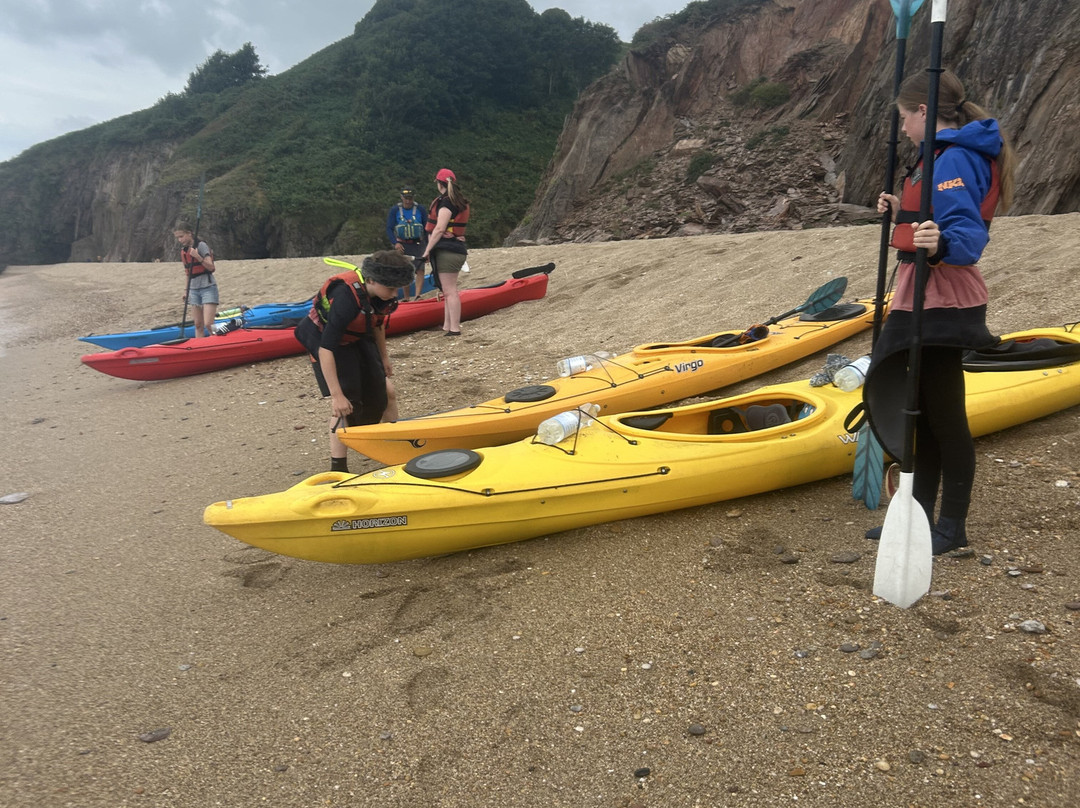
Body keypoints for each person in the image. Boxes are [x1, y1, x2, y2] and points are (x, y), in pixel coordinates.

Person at [865, 68, 1016, 555]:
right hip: (921, 290)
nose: (904, 127)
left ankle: (950, 527)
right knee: (920, 414)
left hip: (942, 297)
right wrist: (901, 213)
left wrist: (941, 242)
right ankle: (917, 517)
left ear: (924, 112)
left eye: (906, 117)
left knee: (943, 418)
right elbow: (931, 217)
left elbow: (968, 237)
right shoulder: (937, 158)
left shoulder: (953, 160)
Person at [294, 251, 416, 473]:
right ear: (371, 280)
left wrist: (384, 358)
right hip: (325, 342)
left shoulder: (383, 295)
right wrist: (337, 396)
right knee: (345, 405)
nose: (394, 293)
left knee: (387, 390)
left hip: (356, 337)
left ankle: (395, 448)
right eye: (391, 288)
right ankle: (338, 468)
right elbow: (326, 349)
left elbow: (377, 324)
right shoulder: (345, 299)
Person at [421, 168, 471, 336]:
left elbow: (439, 228)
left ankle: (454, 328)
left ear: (438, 183)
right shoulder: (457, 201)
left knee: (449, 291)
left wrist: (426, 251)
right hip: (456, 250)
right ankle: (447, 326)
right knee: (447, 291)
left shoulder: (446, 203)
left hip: (448, 252)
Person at [174, 225, 217, 338]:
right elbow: (188, 273)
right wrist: (186, 290)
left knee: (209, 323)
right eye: (178, 237)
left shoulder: (201, 246)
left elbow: (211, 267)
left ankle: (218, 338)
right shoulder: (184, 251)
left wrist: (198, 257)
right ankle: (200, 346)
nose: (180, 240)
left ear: (189, 233)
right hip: (193, 289)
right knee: (198, 324)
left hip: (208, 287)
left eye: (182, 236)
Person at [386, 187, 428, 300]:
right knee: (405, 270)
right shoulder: (395, 210)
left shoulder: (420, 209)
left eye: (410, 198)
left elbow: (427, 228)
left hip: (418, 243)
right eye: (406, 198)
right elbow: (389, 228)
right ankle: (406, 297)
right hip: (402, 244)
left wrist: (428, 247)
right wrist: (395, 243)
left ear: (413, 198)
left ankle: (418, 295)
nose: (408, 201)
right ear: (401, 197)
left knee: (420, 269)